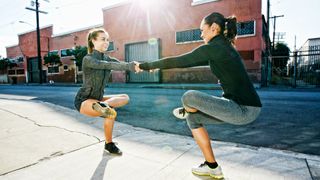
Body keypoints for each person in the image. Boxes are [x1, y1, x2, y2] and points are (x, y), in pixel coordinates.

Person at [139, 12, 262, 179]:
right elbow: (184, 62)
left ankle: (188, 109)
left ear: (214, 28)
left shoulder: (215, 48)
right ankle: (212, 166)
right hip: (241, 107)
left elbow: (179, 60)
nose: (201, 34)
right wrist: (156, 66)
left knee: (189, 97)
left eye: (202, 30)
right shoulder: (222, 48)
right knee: (194, 119)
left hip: (243, 109)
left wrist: (147, 66)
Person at [74, 28, 139, 155]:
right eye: (103, 39)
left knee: (125, 97)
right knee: (111, 113)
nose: (106, 42)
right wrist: (130, 65)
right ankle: (108, 139)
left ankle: (105, 108)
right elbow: (107, 65)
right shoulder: (88, 59)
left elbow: (122, 64)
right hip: (84, 101)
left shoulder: (107, 58)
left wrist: (143, 67)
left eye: (108, 40)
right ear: (93, 41)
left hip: (98, 99)